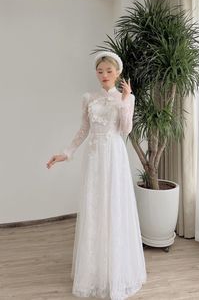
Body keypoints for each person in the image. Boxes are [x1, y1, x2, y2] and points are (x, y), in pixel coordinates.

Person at [46, 51, 147, 300]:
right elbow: (83, 130)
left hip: (114, 156)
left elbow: (125, 130)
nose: (104, 75)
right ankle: (95, 273)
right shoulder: (88, 98)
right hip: (94, 159)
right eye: (100, 71)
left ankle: (116, 272)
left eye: (109, 71)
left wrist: (124, 100)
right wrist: (65, 153)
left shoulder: (127, 98)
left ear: (118, 73)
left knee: (115, 209)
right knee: (96, 209)